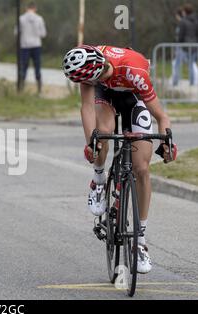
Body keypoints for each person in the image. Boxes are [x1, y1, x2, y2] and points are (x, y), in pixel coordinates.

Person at [62, 45, 178, 274]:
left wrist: (168, 143)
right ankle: (98, 180)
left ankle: (140, 240)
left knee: (142, 168)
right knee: (103, 132)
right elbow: (87, 107)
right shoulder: (86, 64)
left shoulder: (134, 71)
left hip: (133, 95)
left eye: (84, 82)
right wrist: (92, 145)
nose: (82, 86)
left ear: (96, 72)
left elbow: (162, 116)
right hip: (105, 96)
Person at [18, 1, 46, 93]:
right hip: (36, 45)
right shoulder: (39, 18)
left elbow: (16, 32)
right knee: (37, 67)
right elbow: (43, 34)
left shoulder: (21, 18)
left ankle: (21, 88)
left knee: (23, 67)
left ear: (26, 8)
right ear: (35, 8)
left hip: (24, 45)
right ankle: (39, 90)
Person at [173, 3, 198, 86]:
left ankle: (175, 82)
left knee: (177, 64)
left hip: (183, 46)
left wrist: (178, 44)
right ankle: (191, 83)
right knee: (191, 65)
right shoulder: (196, 20)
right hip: (194, 46)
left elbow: (181, 35)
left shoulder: (183, 21)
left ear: (185, 12)